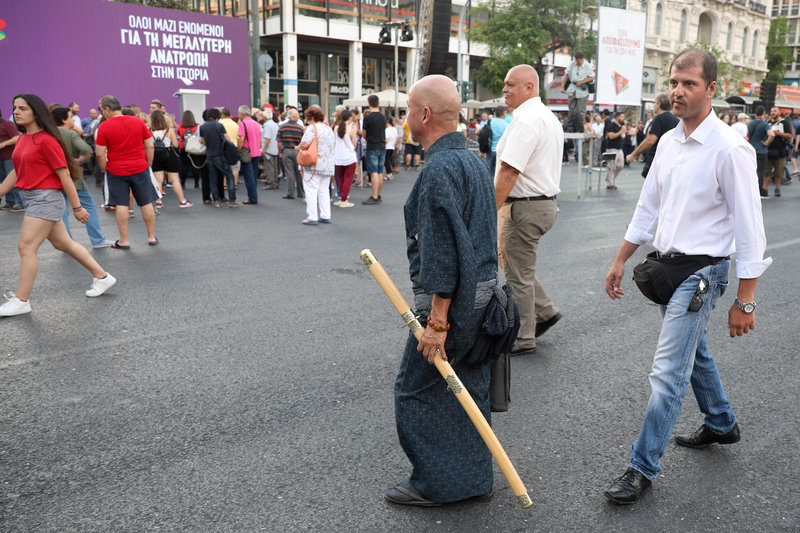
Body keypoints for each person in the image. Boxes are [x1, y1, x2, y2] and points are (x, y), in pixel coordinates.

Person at [603, 49, 772, 505]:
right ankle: (721, 422)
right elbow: (648, 207)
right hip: (667, 267)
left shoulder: (731, 148)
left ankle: (642, 467)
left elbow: (749, 226)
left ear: (711, 89)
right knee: (691, 355)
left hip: (703, 273)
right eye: (674, 82)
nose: (677, 90)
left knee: (667, 372)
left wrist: (746, 299)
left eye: (689, 83)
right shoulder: (670, 142)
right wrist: (621, 258)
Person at [384, 74, 498, 507]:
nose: (407, 117)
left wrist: (436, 324)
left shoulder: (437, 170)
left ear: (424, 114)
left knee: (415, 391)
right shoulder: (471, 159)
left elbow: (443, 257)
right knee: (467, 389)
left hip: (456, 306)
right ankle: (474, 477)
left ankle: (437, 484)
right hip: (487, 298)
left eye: (409, 109)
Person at [0, 94, 116, 317]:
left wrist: (77, 207)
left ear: (36, 112)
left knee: (26, 247)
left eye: (22, 108)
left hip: (45, 198)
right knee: (64, 243)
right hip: (32, 198)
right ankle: (103, 277)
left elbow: (64, 176)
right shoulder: (23, 139)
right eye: (14, 108)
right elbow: (17, 171)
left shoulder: (47, 140)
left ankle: (21, 300)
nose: (16, 112)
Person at [494, 64, 563, 356]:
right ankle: (545, 311)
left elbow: (509, 172)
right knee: (517, 266)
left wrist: (487, 212)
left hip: (524, 206)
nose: (504, 90)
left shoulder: (526, 120)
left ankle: (523, 338)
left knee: (516, 276)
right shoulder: (546, 117)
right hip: (541, 204)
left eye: (510, 85)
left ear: (529, 88)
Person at [95, 95, 158, 248]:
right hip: (140, 167)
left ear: (108, 109)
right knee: (146, 202)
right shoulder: (138, 121)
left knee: (121, 204)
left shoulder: (104, 126)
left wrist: (105, 168)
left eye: (103, 110)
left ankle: (124, 240)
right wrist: (148, 164)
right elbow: (149, 146)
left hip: (116, 170)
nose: (103, 113)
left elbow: (99, 153)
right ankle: (151, 237)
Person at [51, 106, 114, 248]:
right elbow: (87, 150)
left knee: (62, 210)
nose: (73, 119)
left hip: (55, 177)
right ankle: (97, 239)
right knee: (89, 206)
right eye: (70, 117)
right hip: (74, 177)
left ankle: (67, 242)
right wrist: (79, 160)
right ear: (63, 119)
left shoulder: (50, 134)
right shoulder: (70, 134)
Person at [625, 93, 679, 178]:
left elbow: (650, 141)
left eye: (654, 103)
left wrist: (633, 155)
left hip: (656, 161)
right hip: (670, 160)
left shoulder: (659, 118)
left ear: (659, 104)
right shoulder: (676, 120)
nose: (653, 106)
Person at [297, 105, 334, 225]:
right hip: (327, 164)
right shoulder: (328, 128)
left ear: (311, 117)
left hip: (314, 164)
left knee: (311, 190)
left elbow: (304, 144)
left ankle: (312, 216)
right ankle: (325, 215)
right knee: (324, 191)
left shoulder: (312, 128)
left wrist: (297, 147)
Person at [148, 110, 192, 209]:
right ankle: (182, 201)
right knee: (174, 179)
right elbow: (176, 145)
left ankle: (158, 202)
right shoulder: (169, 130)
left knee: (158, 180)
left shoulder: (149, 130)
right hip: (169, 155)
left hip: (156, 155)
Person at [199, 107, 239, 208]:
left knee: (213, 179)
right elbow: (228, 139)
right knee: (229, 176)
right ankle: (232, 200)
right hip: (220, 155)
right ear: (217, 117)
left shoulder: (202, 127)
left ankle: (216, 201)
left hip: (209, 155)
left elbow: (203, 141)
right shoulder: (219, 125)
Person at [361, 94, 386, 205]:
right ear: (378, 104)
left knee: (373, 172)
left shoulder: (368, 117)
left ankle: (374, 196)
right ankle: (378, 194)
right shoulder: (383, 117)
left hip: (372, 146)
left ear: (369, 104)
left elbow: (364, 134)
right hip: (382, 146)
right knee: (380, 172)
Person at [763, 107, 792, 198]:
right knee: (766, 171)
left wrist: (779, 133)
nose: (773, 113)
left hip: (780, 151)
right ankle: (765, 189)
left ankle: (777, 188)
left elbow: (790, 135)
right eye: (771, 111)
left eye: (775, 111)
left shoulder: (784, 123)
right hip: (768, 151)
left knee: (779, 172)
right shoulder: (767, 123)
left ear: (779, 112)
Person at [277, 108, 305, 200]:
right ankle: (300, 192)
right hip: (297, 151)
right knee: (299, 172)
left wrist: (280, 152)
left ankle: (290, 193)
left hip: (287, 150)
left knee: (289, 172)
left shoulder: (282, 127)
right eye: (297, 115)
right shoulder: (300, 128)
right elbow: (303, 141)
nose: (298, 117)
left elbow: (279, 141)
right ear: (294, 116)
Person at [237, 105, 263, 205]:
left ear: (242, 114)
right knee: (253, 175)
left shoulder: (243, 124)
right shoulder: (256, 123)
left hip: (247, 153)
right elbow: (260, 140)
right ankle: (253, 195)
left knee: (248, 177)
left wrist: (238, 150)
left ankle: (252, 197)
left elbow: (241, 139)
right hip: (256, 151)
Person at [747, 106, 775, 195]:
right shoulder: (764, 124)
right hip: (761, 151)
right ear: (763, 114)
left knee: (751, 171)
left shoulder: (750, 123)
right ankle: (759, 190)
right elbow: (772, 134)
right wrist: (767, 143)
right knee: (760, 171)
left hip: (751, 150)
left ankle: (750, 189)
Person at [0, 107, 24, 211]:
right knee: (4, 181)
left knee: (13, 180)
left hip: (9, 156)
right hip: (0, 157)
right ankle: (10, 203)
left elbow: (17, 137)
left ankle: (19, 203)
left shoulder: (7, 124)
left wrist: (4, 143)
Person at [333, 109, 357, 208]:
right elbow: (354, 144)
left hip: (338, 157)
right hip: (349, 157)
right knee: (348, 179)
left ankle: (341, 197)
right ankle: (344, 199)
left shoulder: (336, 128)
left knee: (340, 178)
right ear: (350, 118)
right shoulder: (351, 130)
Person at [560, 50, 594, 116]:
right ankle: (570, 125)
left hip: (582, 90)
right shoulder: (572, 64)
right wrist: (562, 87)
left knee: (581, 111)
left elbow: (592, 77)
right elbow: (566, 75)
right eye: (576, 60)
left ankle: (580, 126)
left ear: (582, 58)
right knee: (571, 109)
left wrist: (581, 82)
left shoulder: (587, 66)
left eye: (579, 60)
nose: (577, 62)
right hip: (572, 88)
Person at [219, 107, 241, 190]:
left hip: (223, 147)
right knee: (235, 167)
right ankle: (235, 184)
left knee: (224, 166)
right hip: (233, 146)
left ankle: (224, 185)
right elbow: (238, 138)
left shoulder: (220, 123)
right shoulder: (235, 124)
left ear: (222, 114)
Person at [604, 112, 625, 190]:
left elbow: (621, 136)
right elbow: (611, 136)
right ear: (617, 117)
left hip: (619, 148)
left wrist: (622, 133)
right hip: (612, 148)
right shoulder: (612, 125)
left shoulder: (621, 126)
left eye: (624, 116)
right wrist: (621, 132)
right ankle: (610, 183)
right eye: (622, 116)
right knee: (611, 166)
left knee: (620, 165)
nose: (623, 118)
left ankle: (610, 179)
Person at [261, 109, 280, 190]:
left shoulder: (267, 125)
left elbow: (267, 138)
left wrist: (264, 149)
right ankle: (275, 182)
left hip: (269, 149)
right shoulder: (275, 124)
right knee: (275, 167)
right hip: (275, 148)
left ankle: (272, 183)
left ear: (265, 117)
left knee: (269, 167)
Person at [488, 106, 509, 174]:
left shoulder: (489, 122)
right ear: (504, 113)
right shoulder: (507, 125)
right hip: (502, 151)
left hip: (489, 149)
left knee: (488, 171)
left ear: (494, 113)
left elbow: (477, 132)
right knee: (498, 173)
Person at [384, 116, 399, 180]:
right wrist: (394, 144)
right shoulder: (394, 129)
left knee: (386, 161)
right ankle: (389, 173)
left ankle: (389, 174)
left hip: (387, 147)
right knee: (388, 160)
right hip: (392, 147)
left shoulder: (387, 130)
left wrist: (381, 143)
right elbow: (397, 138)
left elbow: (386, 140)